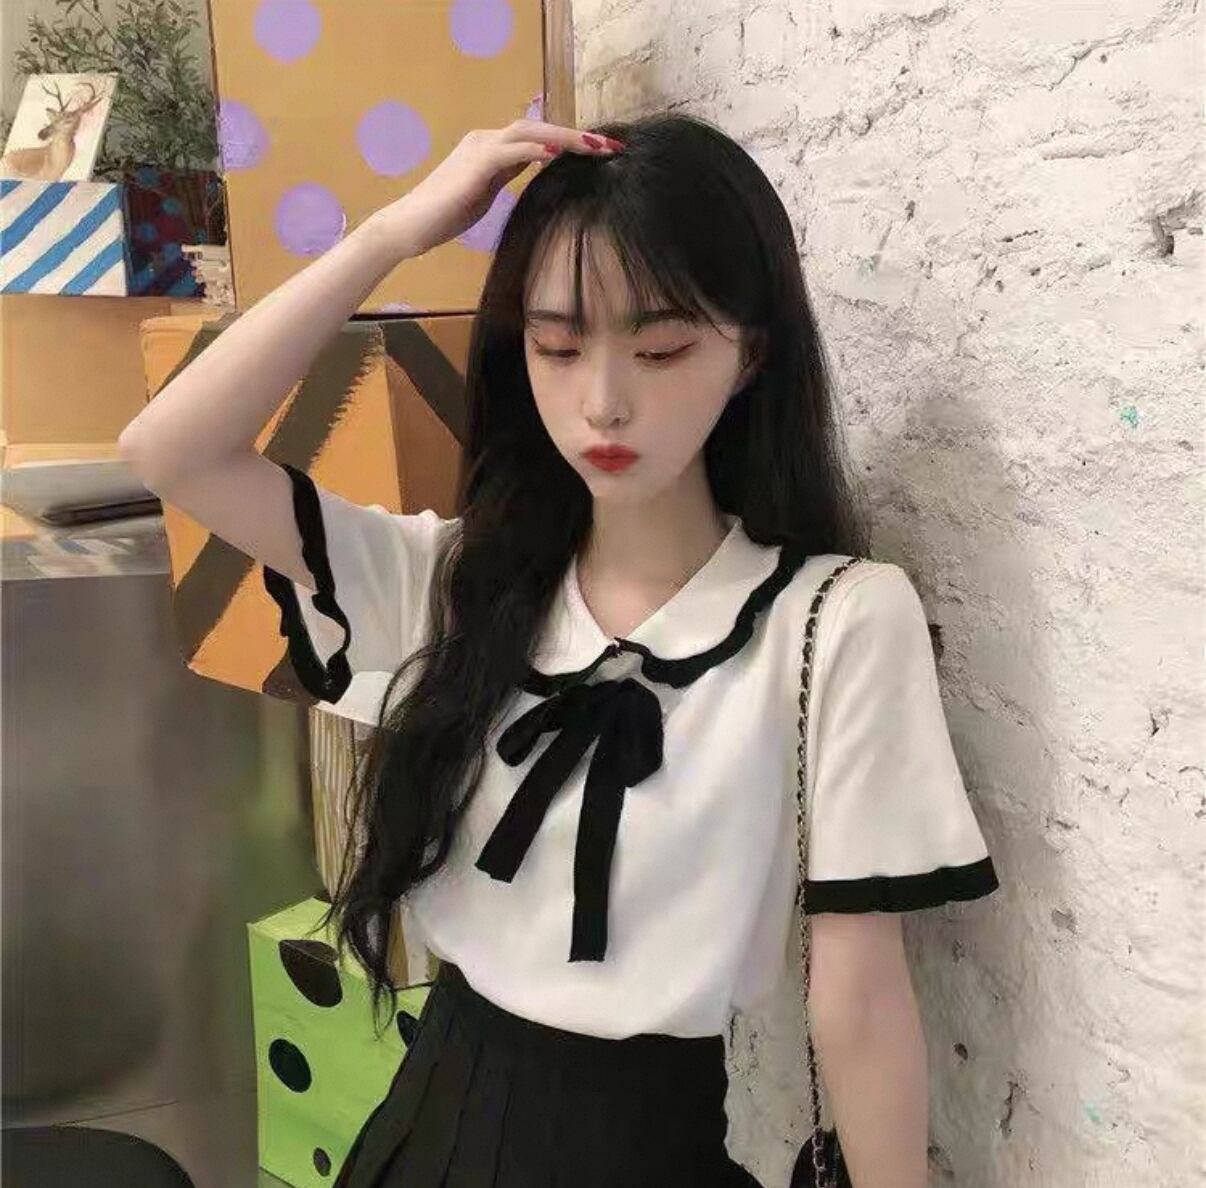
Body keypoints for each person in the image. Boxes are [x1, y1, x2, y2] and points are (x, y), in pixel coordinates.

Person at [119, 112, 999, 1188]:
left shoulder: (834, 622)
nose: (604, 402)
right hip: (426, 1140)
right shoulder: (455, 586)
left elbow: (858, 1001)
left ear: (751, 354)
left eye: (661, 349)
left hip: (655, 1149)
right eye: (558, 345)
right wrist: (395, 232)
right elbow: (171, 449)